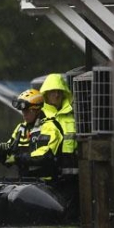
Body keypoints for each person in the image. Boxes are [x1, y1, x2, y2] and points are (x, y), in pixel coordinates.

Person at [0, 88, 62, 180]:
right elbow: (11, 155)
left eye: (27, 110)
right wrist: (2, 153)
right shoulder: (21, 128)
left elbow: (43, 157)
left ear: (37, 109)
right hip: (26, 182)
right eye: (23, 111)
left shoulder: (49, 127)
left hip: (47, 184)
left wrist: (17, 158)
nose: (24, 114)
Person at [39, 73, 79, 220]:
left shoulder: (73, 115)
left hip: (73, 178)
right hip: (49, 177)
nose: (56, 95)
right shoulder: (40, 115)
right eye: (52, 92)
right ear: (46, 94)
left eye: (59, 91)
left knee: (71, 217)